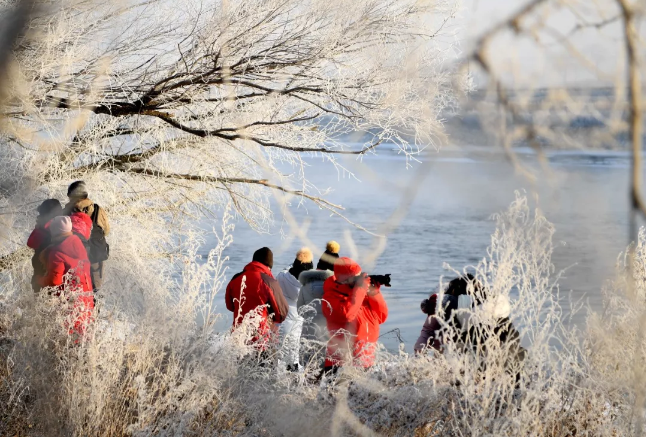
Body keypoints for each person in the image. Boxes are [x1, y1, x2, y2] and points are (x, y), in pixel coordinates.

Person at [322, 257, 388, 373]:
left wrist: (373, 291)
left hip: (367, 360)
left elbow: (381, 316)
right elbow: (348, 314)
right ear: (344, 280)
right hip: (340, 363)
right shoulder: (330, 297)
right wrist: (360, 288)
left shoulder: (362, 294)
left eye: (360, 276)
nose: (359, 280)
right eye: (356, 277)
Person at [39, 216, 95, 338]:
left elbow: (54, 281)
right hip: (86, 298)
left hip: (69, 301)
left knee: (65, 339)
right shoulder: (79, 246)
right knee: (83, 337)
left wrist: (40, 280)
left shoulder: (56, 252)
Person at [225, 247, 289, 349]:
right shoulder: (269, 282)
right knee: (262, 364)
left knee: (239, 364)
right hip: (261, 339)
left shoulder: (236, 278)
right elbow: (282, 314)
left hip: (238, 336)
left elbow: (230, 306)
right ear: (268, 266)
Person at [64, 181, 110, 290]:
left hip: (75, 256)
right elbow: (106, 230)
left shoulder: (66, 212)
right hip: (96, 254)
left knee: (78, 289)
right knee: (95, 289)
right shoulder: (98, 209)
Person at [276, 248, 313, 372]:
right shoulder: (305, 289)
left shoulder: (281, 277)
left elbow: (287, 270)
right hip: (295, 327)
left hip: (281, 324)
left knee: (278, 359)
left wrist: (296, 263)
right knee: (294, 363)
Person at [297, 241, 340, 345]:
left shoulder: (305, 286)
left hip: (308, 334)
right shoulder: (338, 288)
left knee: (307, 359)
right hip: (331, 335)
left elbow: (300, 310)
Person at [27, 199, 63, 292]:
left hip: (44, 273)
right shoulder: (62, 226)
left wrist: (39, 227)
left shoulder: (47, 229)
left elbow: (31, 243)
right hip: (48, 273)